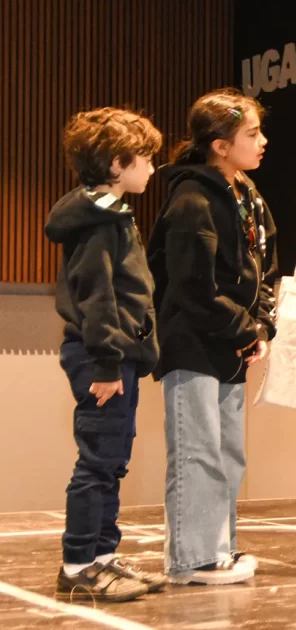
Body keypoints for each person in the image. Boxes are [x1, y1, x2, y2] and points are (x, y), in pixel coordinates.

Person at [148, 88, 277, 583]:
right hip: (194, 345)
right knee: (197, 452)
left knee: (227, 453)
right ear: (220, 146)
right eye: (252, 134)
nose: (262, 142)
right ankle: (193, 558)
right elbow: (191, 287)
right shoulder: (192, 199)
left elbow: (266, 266)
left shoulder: (247, 195)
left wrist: (261, 325)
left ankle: (220, 547)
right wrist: (244, 327)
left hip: (231, 344)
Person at [46, 107, 167, 601]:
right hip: (103, 357)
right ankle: (78, 564)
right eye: (145, 159)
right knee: (97, 461)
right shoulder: (97, 221)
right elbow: (96, 295)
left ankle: (101, 556)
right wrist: (106, 363)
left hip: (118, 355)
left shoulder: (112, 214)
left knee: (113, 461)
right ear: (117, 164)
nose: (152, 168)